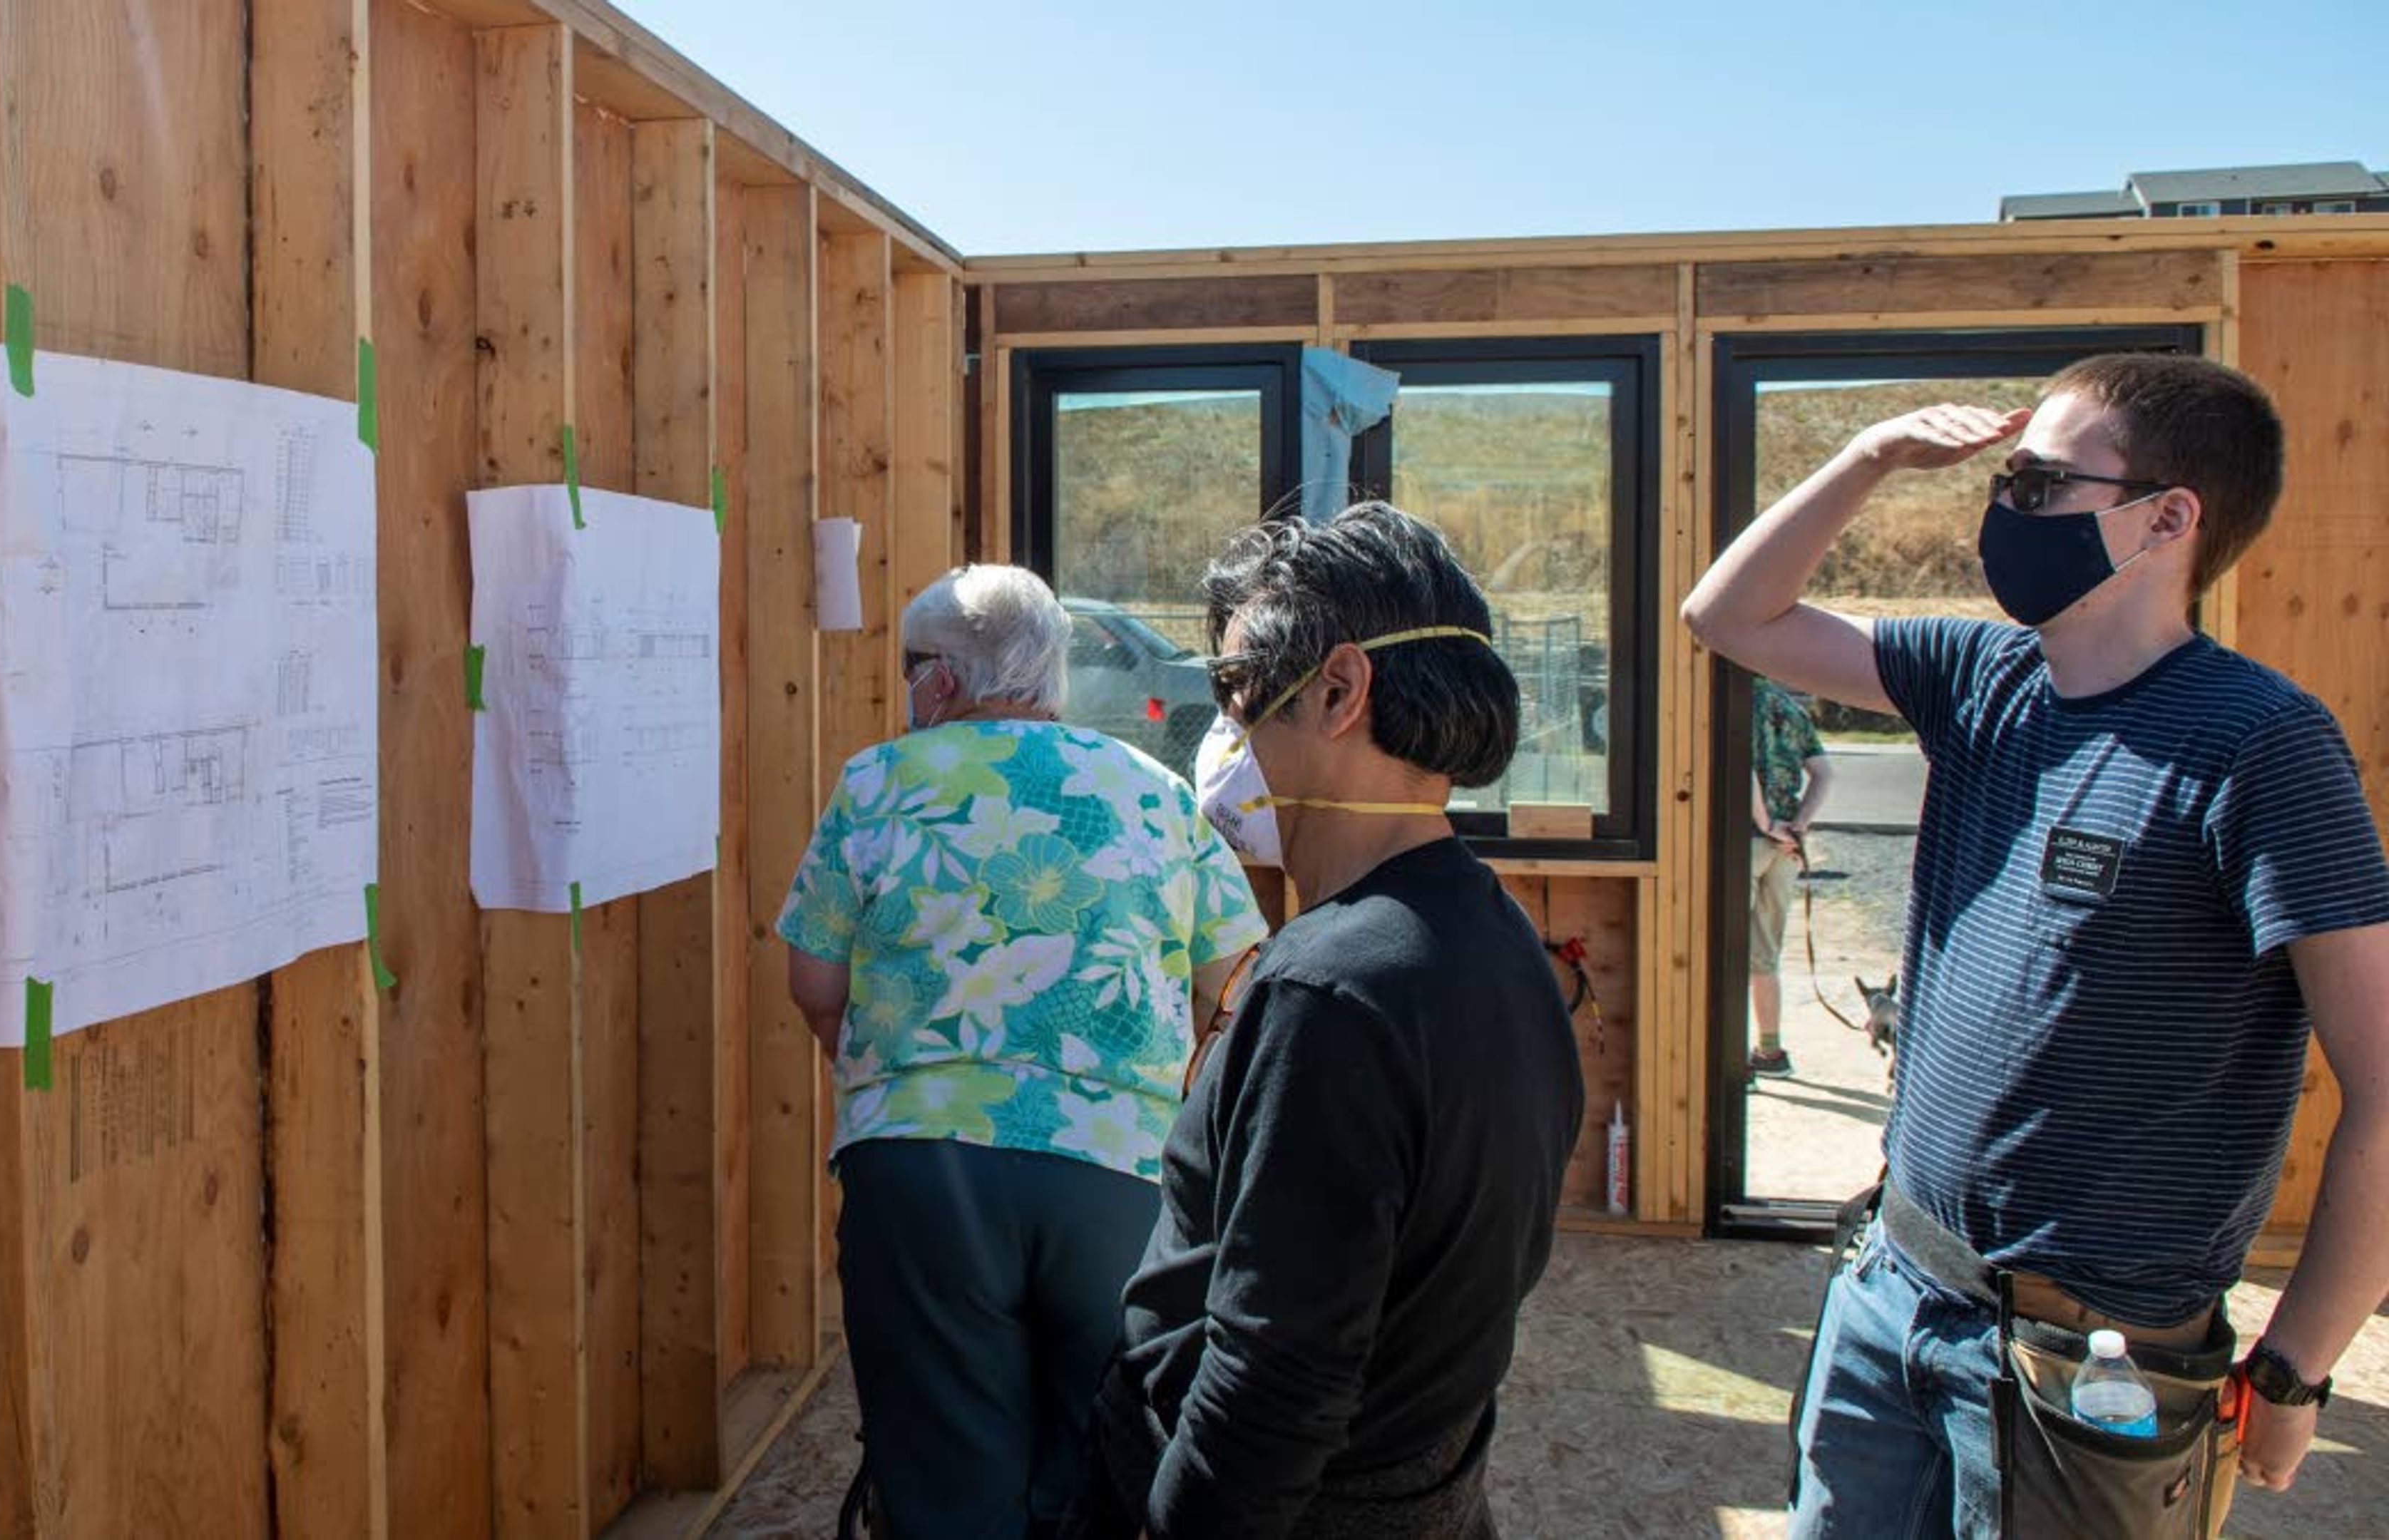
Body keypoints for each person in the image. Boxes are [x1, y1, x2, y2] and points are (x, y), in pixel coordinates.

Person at [1682, 354, 2389, 1536]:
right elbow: (1729, 616)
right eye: (2005, 479)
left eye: (2040, 482)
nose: (2004, 508)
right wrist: (1872, 456)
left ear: (2170, 517)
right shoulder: (1984, 678)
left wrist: (2298, 1362)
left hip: (2086, 1360)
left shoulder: (2261, 743)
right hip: (1894, 1291)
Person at [1075, 502, 1586, 1539]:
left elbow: (1272, 1380)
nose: (1221, 732)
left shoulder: (1330, 995)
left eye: (1233, 692)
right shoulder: (1488, 931)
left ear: (1342, 690)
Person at [776, 564, 1267, 1540]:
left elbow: (815, 984)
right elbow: (1239, 975)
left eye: (910, 667)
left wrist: (890, 1070)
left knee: (941, 1464)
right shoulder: (1151, 792)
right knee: (1099, 1456)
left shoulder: (877, 784)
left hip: (921, 1168)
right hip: (1119, 1176)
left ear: (942, 682)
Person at [1747, 676, 1833, 1077]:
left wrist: (1765, 825)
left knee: (1726, 952)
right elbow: (1824, 772)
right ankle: (1770, 1049)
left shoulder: (1733, 702)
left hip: (1745, 841)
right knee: (1765, 953)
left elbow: (1743, 770)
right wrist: (1798, 825)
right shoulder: (1787, 705)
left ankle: (1728, 1053)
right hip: (1787, 848)